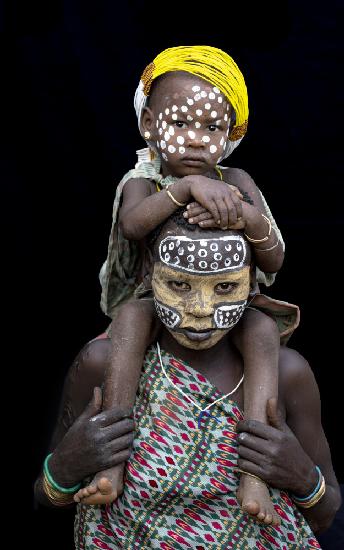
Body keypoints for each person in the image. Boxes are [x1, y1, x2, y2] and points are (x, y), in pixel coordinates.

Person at [34, 216, 341, 548]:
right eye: (179, 284)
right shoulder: (101, 364)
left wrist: (304, 478)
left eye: (225, 286)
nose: (200, 309)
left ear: (250, 282)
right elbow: (44, 500)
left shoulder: (287, 374)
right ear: (150, 275)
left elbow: (326, 516)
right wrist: (65, 467)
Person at [78, 45, 288, 526]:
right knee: (132, 316)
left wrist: (242, 212)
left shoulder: (236, 178)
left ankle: (254, 472)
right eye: (179, 124)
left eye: (212, 128)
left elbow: (274, 255)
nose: (196, 140)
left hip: (230, 304)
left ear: (232, 134)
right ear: (148, 124)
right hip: (160, 300)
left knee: (260, 331)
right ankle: (112, 464)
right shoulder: (143, 181)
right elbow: (132, 227)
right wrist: (185, 190)